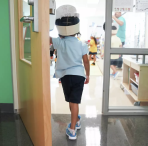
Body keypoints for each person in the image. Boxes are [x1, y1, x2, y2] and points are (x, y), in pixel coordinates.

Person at [50, 5, 90, 140]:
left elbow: (47, 38)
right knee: (74, 102)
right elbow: (86, 61)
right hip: (79, 75)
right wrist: (88, 75)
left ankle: (72, 129)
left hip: (66, 76)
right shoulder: (82, 44)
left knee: (72, 102)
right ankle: (76, 121)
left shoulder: (59, 42)